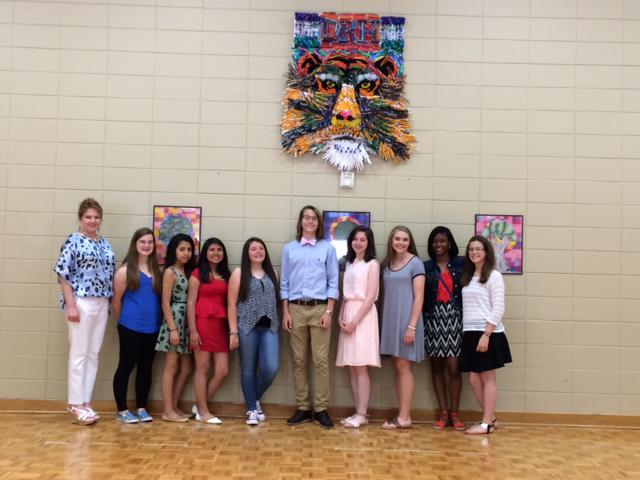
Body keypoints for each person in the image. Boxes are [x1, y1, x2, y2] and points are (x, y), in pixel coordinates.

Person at [54, 198, 116, 425]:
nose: (93, 221)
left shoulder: (105, 243)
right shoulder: (73, 241)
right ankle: (75, 403)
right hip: (81, 300)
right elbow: (62, 274)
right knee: (79, 353)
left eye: (96, 217)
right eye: (88, 217)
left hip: (102, 301)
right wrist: (71, 305)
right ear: (80, 218)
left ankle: (86, 401)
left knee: (93, 353)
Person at [281, 205, 339, 429]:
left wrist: (329, 311)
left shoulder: (328, 249)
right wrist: (286, 311)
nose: (310, 221)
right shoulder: (289, 249)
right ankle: (303, 407)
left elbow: (333, 282)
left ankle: (321, 409)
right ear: (301, 221)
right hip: (295, 309)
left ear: (319, 223)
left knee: (321, 360)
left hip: (320, 308)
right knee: (298, 360)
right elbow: (285, 282)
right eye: (306, 217)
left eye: (314, 218)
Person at [460, 235, 512, 435]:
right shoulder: (468, 276)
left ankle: (486, 424)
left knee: (488, 378)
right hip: (470, 332)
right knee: (474, 379)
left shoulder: (494, 276)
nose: (474, 252)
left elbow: (499, 307)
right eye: (471, 249)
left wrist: (487, 334)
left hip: (488, 333)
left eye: (478, 249)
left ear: (486, 252)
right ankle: (490, 417)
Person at [112, 227, 163, 424]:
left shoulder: (157, 270)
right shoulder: (124, 271)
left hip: (153, 328)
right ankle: (122, 410)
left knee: (145, 368)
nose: (146, 245)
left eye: (150, 242)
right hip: (130, 327)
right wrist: (123, 323)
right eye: (142, 242)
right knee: (126, 367)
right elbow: (116, 301)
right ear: (135, 244)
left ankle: (142, 407)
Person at [228, 237, 280, 426]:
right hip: (246, 327)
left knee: (271, 368)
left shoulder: (273, 272)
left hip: (270, 327)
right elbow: (231, 304)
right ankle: (252, 408)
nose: (258, 251)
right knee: (248, 368)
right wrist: (233, 332)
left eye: (261, 248)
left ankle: (253, 398)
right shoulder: (239, 273)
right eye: (253, 249)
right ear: (247, 253)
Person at [379, 226, 425, 430]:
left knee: (404, 367)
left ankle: (405, 417)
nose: (401, 242)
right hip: (391, 320)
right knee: (398, 367)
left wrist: (411, 326)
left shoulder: (416, 263)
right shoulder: (387, 264)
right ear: (391, 241)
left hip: (407, 321)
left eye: (405, 239)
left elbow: (419, 297)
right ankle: (402, 414)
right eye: (397, 238)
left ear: (410, 242)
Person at [335, 226, 380, 428]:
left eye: (363, 239)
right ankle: (357, 411)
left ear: (369, 243)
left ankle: (362, 413)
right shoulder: (350, 264)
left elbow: (370, 297)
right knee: (352, 366)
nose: (358, 243)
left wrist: (354, 322)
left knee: (361, 366)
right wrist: (341, 316)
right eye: (355, 239)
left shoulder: (372, 264)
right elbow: (346, 295)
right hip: (349, 312)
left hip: (363, 316)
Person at [423, 226, 465, 431]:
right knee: (437, 367)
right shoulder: (426, 267)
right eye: (435, 241)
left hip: (455, 318)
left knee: (454, 368)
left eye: (442, 241)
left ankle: (455, 414)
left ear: (449, 243)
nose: (438, 245)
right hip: (433, 318)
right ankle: (444, 413)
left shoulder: (461, 263)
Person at [188, 237, 232, 424]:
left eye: (219, 250)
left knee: (223, 370)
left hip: (221, 325)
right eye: (212, 249)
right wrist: (193, 330)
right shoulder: (197, 273)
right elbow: (191, 303)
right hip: (202, 323)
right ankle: (204, 412)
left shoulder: (226, 275)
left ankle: (199, 405)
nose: (216, 253)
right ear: (205, 253)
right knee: (203, 367)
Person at [155, 234, 197, 422]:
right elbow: (165, 302)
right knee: (171, 367)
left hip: (187, 322)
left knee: (186, 367)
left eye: (189, 249)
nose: (186, 253)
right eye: (182, 249)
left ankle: (174, 405)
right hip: (174, 321)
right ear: (174, 250)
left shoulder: (189, 272)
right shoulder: (170, 272)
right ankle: (167, 410)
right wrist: (172, 329)